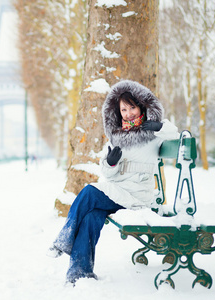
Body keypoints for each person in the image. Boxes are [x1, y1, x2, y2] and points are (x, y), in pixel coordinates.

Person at [48, 80, 179, 285]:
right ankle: (79, 273)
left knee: (90, 191)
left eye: (132, 107)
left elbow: (176, 135)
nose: (128, 114)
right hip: (118, 192)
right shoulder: (117, 136)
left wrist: (159, 126)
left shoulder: (153, 134)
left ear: (142, 106)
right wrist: (110, 164)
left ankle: (65, 238)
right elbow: (108, 176)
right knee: (91, 216)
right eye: (123, 110)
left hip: (137, 196)